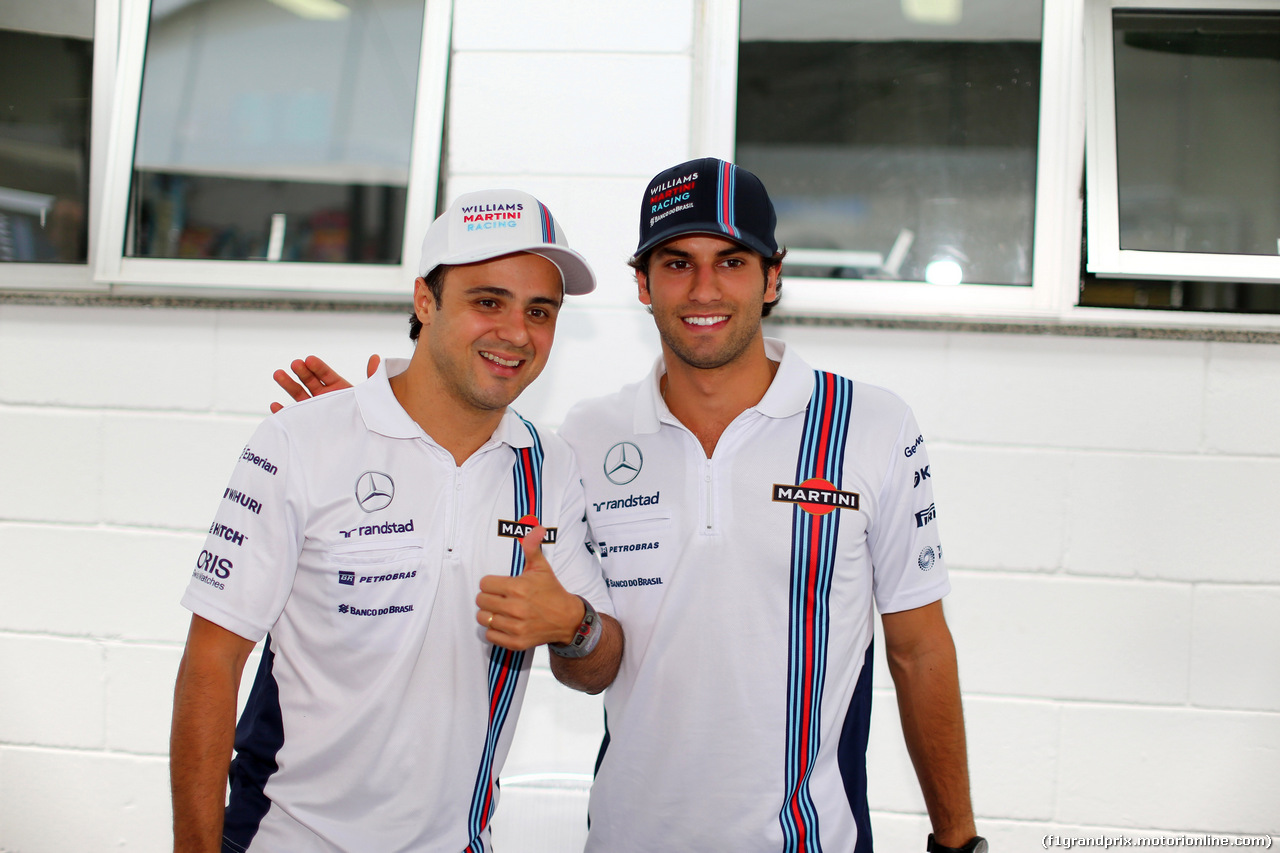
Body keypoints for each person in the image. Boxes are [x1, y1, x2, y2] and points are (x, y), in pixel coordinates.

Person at [275, 160, 984, 853]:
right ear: (642, 283)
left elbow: (919, 650)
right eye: (676, 263)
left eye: (731, 261)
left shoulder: (872, 426)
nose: (703, 287)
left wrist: (958, 840)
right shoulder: (587, 437)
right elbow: (477, 474)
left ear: (772, 276)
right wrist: (377, 433)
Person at [172, 189, 623, 853]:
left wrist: (573, 625)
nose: (517, 333)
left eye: (540, 311)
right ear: (424, 301)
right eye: (487, 301)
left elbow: (599, 663)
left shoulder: (548, 466)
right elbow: (212, 659)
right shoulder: (301, 441)